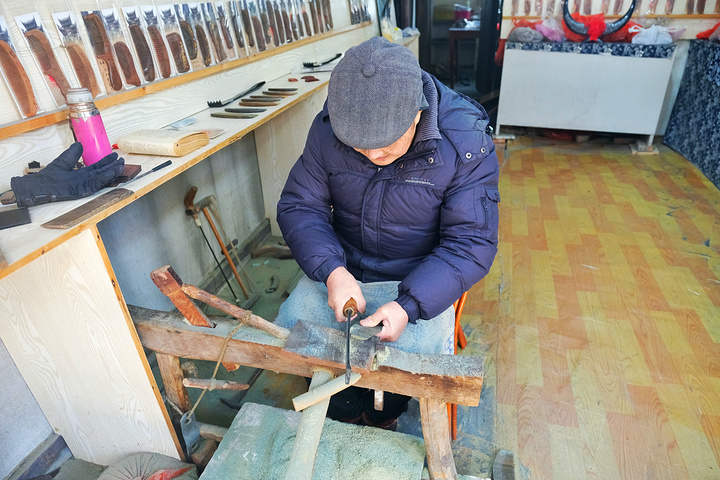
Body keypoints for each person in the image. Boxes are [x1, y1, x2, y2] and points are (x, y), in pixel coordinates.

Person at [276, 36, 500, 429]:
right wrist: (333, 271)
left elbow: (470, 243)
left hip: (419, 278)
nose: (373, 155)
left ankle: (385, 416)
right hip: (345, 268)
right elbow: (301, 206)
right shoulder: (331, 126)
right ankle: (342, 412)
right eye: (359, 147)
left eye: (385, 145)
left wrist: (409, 305)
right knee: (306, 343)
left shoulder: (464, 141)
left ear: (418, 115)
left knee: (396, 372)